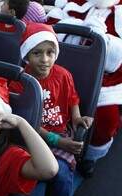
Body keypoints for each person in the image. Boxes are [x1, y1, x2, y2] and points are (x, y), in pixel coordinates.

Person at [9, 22, 93, 196]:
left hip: (59, 130)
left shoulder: (63, 75)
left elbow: (72, 98)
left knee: (63, 173)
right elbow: (27, 125)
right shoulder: (20, 82)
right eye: (37, 53)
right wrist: (58, 142)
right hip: (28, 136)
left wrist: (77, 117)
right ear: (26, 56)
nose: (45, 59)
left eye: (50, 52)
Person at [45, 0, 122, 175]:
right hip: (62, 68)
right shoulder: (74, 2)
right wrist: (75, 28)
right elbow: (49, 28)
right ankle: (49, 145)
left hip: (105, 81)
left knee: (106, 120)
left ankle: (89, 156)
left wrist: (104, 41)